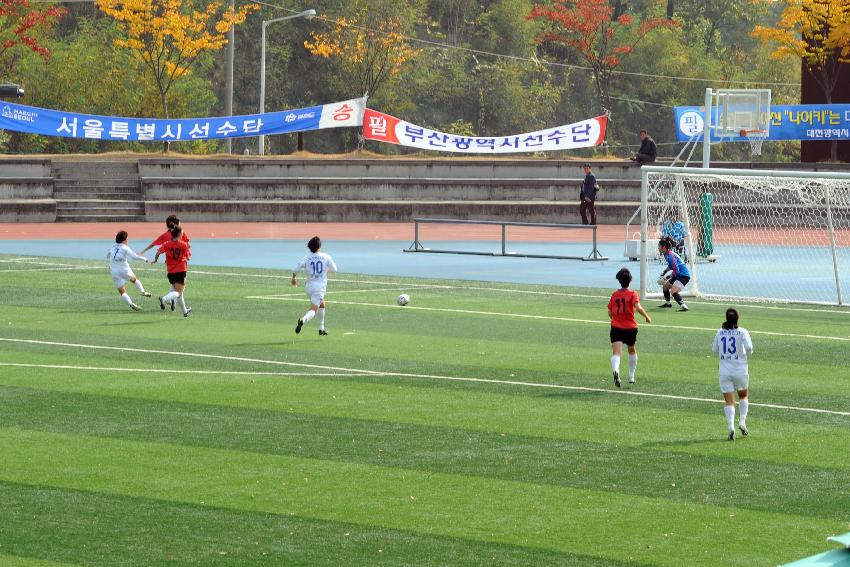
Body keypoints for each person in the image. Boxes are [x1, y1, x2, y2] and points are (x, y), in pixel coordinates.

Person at [711, 308, 754, 441]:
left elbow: (714, 350)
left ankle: (731, 427)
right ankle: (742, 422)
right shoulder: (743, 332)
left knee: (729, 401)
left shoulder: (719, 332)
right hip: (740, 370)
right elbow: (749, 349)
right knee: (743, 395)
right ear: (737, 318)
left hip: (724, 372)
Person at [608, 268, 651, 387]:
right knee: (631, 350)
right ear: (630, 280)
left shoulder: (614, 295)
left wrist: (615, 318)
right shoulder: (633, 294)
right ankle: (631, 376)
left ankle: (616, 370)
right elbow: (638, 307)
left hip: (616, 327)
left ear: (619, 281)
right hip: (630, 328)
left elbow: (610, 311)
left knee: (616, 353)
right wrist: (647, 317)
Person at [140, 215, 190, 310]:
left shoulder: (165, 236)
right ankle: (167, 299)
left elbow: (154, 245)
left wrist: (143, 252)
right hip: (181, 265)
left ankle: (178, 307)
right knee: (179, 290)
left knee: (174, 286)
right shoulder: (181, 233)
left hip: (170, 266)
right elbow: (188, 245)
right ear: (176, 224)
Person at [291, 236, 337, 336]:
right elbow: (334, 269)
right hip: (319, 288)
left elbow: (296, 268)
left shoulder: (306, 258)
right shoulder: (326, 257)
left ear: (309, 247)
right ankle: (303, 320)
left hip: (309, 287)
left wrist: (294, 278)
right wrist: (326, 270)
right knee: (313, 310)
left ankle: (321, 329)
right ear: (319, 246)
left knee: (322, 304)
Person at [152, 226, 192, 317]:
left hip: (170, 271)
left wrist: (155, 260)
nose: (183, 234)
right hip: (180, 270)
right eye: (182, 232)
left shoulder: (167, 244)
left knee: (178, 292)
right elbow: (188, 257)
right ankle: (165, 299)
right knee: (178, 293)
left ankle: (185, 311)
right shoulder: (183, 244)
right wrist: (187, 256)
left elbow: (158, 253)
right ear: (179, 234)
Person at [106, 230, 150, 311]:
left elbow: (108, 255)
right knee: (134, 279)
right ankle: (143, 291)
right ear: (124, 240)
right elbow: (134, 257)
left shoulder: (113, 246)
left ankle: (131, 304)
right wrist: (144, 258)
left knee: (122, 291)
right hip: (124, 269)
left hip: (114, 271)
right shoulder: (125, 247)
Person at [658, 237, 690, 311]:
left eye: (659, 246)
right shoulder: (667, 254)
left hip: (683, 276)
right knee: (665, 287)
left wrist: (667, 277)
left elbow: (676, 270)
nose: (658, 248)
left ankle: (684, 306)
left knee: (673, 291)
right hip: (678, 275)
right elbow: (671, 266)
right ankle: (668, 304)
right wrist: (665, 271)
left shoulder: (670, 255)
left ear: (664, 247)